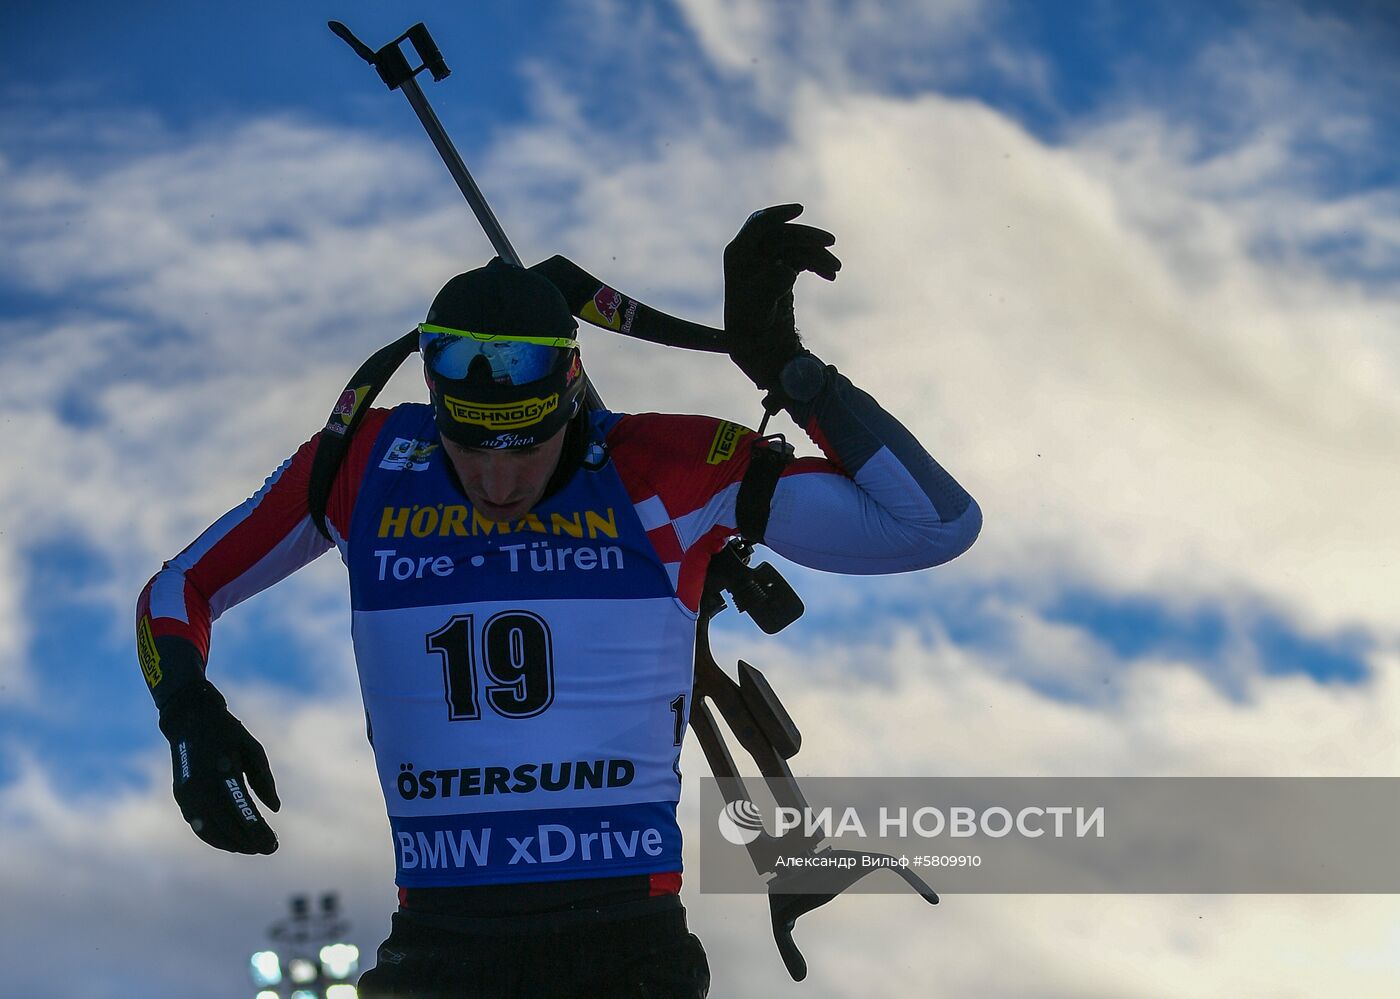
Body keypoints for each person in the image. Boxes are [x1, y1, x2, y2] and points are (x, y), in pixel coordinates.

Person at [135, 205, 982, 998]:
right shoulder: (365, 459)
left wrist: (788, 370)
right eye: (468, 447)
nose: (498, 481)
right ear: (437, 407)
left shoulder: (666, 460)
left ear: (571, 395)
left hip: (623, 946)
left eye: (527, 445)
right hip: (435, 944)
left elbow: (934, 525)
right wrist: (187, 708)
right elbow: (179, 585)